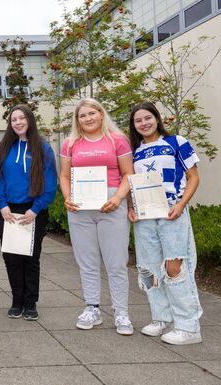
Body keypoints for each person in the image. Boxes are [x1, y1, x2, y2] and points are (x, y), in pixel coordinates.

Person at [128, 102, 203, 345]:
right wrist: (131, 207)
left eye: (147, 118)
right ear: (134, 126)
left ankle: (189, 326)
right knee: (149, 269)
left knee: (174, 267)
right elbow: (131, 183)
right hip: (145, 216)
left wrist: (181, 205)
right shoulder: (134, 151)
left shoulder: (176, 143)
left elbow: (193, 177)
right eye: (138, 120)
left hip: (172, 212)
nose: (144, 123)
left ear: (157, 119)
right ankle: (161, 317)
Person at [59, 98, 135, 335]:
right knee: (87, 263)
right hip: (80, 207)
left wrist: (118, 198)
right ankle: (92, 308)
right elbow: (64, 176)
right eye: (82, 115)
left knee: (116, 263)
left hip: (111, 205)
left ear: (101, 114)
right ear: (77, 120)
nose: (87, 118)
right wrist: (67, 197)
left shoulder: (118, 141)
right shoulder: (70, 144)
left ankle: (121, 312)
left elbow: (128, 174)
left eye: (92, 113)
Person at [0, 105, 57, 321]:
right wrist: (2, 205)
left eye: (21, 118)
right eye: (13, 120)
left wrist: (36, 209)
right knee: (11, 257)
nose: (18, 122)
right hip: (8, 210)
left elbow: (50, 183)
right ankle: (16, 301)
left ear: (29, 120)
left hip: (33, 210)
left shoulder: (42, 147)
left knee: (30, 258)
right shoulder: (4, 147)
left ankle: (30, 303)